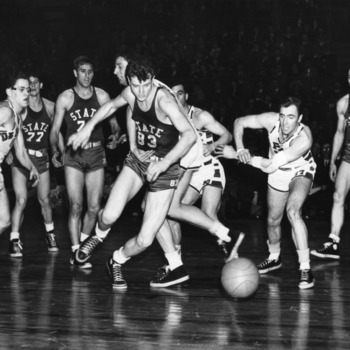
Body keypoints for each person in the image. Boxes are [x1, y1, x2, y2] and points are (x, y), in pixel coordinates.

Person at [68, 57, 197, 289]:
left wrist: (165, 162)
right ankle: (97, 237)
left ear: (153, 80)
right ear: (129, 81)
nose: (141, 92)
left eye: (145, 85)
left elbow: (189, 135)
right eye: (135, 86)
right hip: (139, 161)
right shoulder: (130, 93)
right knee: (107, 216)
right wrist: (87, 129)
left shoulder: (164, 100)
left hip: (165, 168)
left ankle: (116, 260)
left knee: (145, 240)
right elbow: (109, 107)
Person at [217, 97, 316, 289]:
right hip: (278, 173)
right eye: (282, 116)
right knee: (272, 220)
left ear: (300, 118)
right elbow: (239, 122)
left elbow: (269, 166)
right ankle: (274, 257)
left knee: (293, 211)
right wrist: (240, 148)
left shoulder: (304, 139)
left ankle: (305, 269)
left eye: (291, 117)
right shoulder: (272, 121)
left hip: (300, 171)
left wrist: (235, 156)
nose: (285, 122)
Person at [150, 80, 233, 286]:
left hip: (209, 168)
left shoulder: (200, 116)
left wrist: (213, 145)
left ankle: (232, 250)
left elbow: (227, 134)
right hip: (189, 171)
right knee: (171, 211)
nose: (176, 97)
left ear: (186, 96)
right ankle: (175, 261)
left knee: (208, 214)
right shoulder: (168, 117)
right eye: (173, 93)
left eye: (180, 93)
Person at [50, 56, 120, 268]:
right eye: (82, 71)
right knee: (76, 205)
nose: (87, 75)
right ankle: (75, 251)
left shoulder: (102, 95)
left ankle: (81, 248)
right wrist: (55, 149)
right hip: (74, 156)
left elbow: (114, 124)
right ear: (75, 73)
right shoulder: (65, 98)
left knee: (94, 207)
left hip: (96, 153)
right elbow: (54, 130)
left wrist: (116, 135)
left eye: (90, 71)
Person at [8, 72, 62, 257]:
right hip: (22, 158)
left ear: (41, 85)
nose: (31, 86)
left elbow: (56, 132)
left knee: (45, 199)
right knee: (21, 200)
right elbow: (11, 132)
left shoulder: (50, 107)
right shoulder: (19, 108)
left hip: (42, 158)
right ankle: (14, 240)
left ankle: (50, 234)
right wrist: (8, 152)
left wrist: (58, 151)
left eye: (34, 82)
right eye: (27, 84)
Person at [310, 74, 350, 260]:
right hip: (349, 156)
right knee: (337, 196)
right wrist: (333, 160)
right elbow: (340, 132)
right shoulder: (343, 103)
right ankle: (333, 243)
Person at [0, 73, 40, 243]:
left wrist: (33, 168)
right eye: (21, 89)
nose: (27, 94)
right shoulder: (5, 111)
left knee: (4, 221)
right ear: (10, 91)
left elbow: (21, 152)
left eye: (28, 90)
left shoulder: (18, 118)